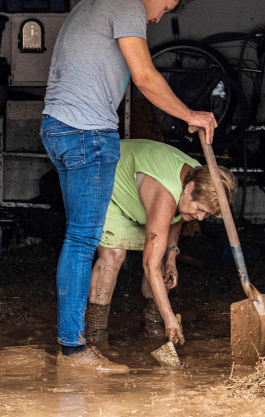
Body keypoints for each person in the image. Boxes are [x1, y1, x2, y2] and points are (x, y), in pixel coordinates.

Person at [40, 0, 218, 373]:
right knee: (83, 241)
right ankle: (73, 349)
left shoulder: (96, 1)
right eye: (165, 9)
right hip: (87, 131)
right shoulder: (126, 4)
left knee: (80, 239)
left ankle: (75, 343)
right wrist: (191, 115)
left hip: (59, 126)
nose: (157, 19)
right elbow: (145, 76)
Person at [85, 139, 236, 350]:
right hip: (106, 181)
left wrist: (172, 256)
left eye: (207, 214)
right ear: (188, 188)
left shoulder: (197, 179)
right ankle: (95, 334)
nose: (201, 218)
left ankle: (152, 326)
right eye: (200, 209)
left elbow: (176, 219)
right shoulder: (166, 192)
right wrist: (170, 317)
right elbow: (150, 265)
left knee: (162, 256)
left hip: (139, 194)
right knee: (114, 254)